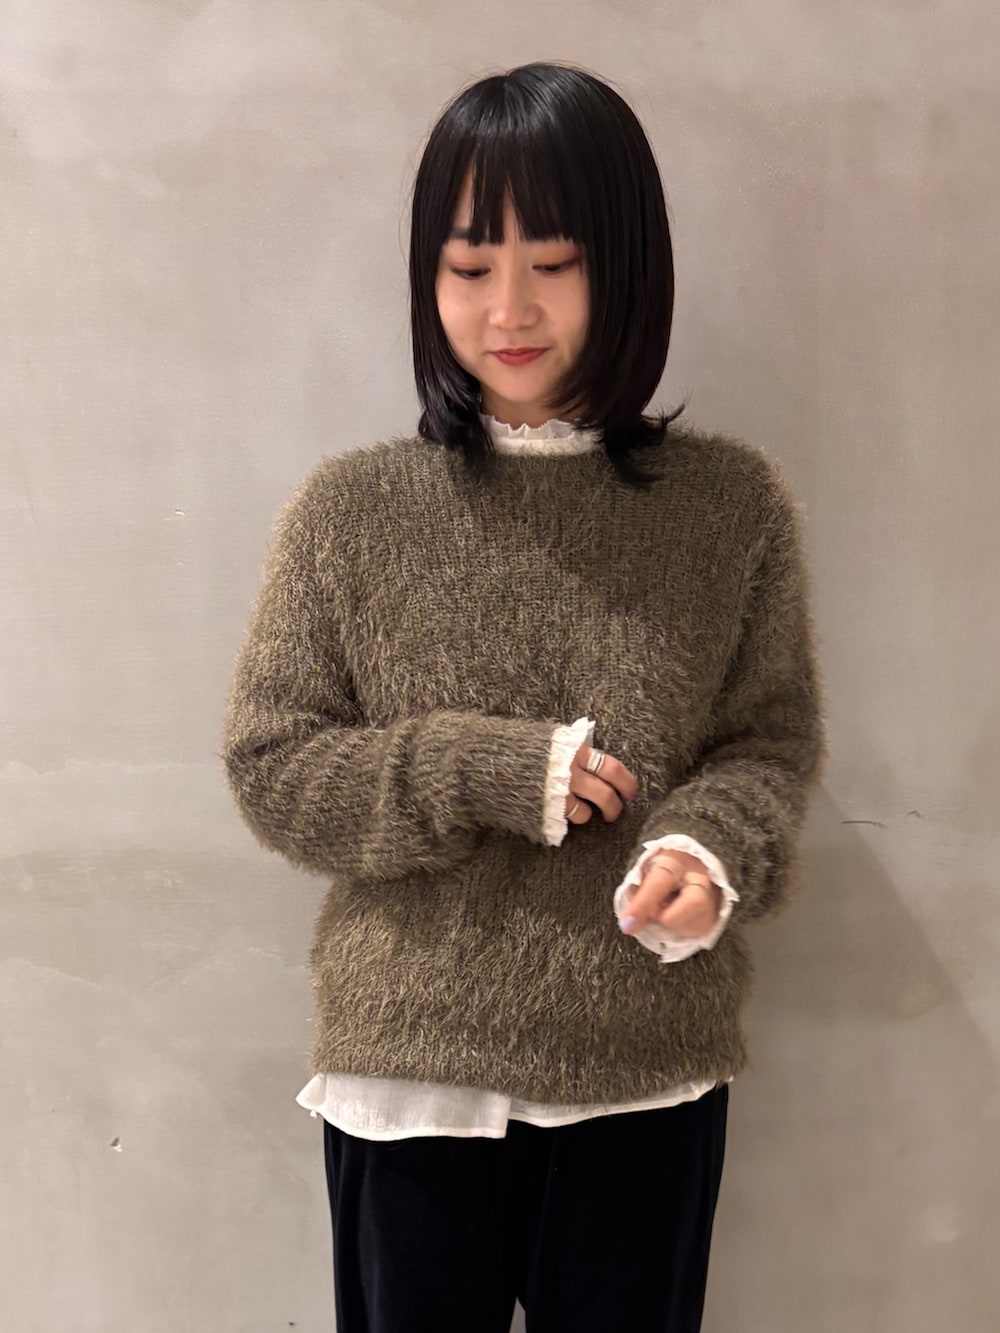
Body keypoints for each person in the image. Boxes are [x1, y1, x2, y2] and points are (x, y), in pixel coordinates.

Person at [223, 60, 826, 1333]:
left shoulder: (729, 507)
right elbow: (275, 766)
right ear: (425, 276)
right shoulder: (350, 513)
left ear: (628, 267)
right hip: (409, 1071)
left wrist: (706, 849)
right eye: (468, 264)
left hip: (641, 1064)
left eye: (553, 262)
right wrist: (484, 769)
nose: (509, 307)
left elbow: (765, 746)